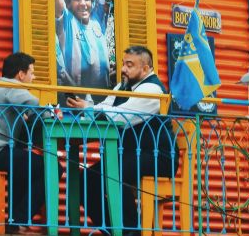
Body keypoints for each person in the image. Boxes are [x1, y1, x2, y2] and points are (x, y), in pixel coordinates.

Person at [67, 46, 179, 235]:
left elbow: (121, 116)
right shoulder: (122, 86)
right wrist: (85, 106)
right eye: (123, 64)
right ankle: (114, 229)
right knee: (85, 179)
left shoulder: (152, 89)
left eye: (130, 65)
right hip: (131, 154)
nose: (124, 69)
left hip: (158, 157)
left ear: (145, 69)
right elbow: (105, 106)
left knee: (114, 172)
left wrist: (90, 110)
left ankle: (130, 230)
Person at [0, 52, 62, 235]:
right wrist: (51, 114)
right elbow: (33, 104)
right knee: (53, 167)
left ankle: (15, 224)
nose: (33, 77)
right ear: (20, 74)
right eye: (31, 73)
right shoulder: (11, 86)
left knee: (24, 163)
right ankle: (19, 221)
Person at [55, 0, 112, 90]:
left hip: (103, 100)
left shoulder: (97, 18)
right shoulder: (66, 21)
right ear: (67, 3)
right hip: (74, 100)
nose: (83, 3)